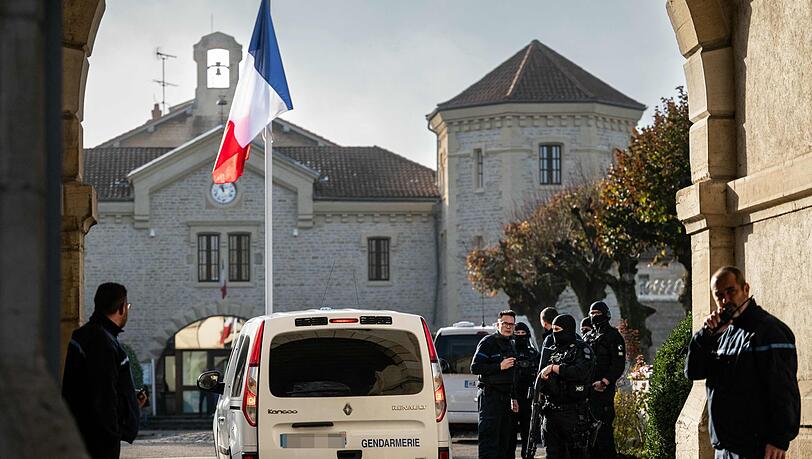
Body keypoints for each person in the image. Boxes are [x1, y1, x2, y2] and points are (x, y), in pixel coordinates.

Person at [685, 266, 800, 458]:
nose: (726, 300)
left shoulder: (770, 331)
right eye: (719, 295)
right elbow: (693, 371)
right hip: (724, 449)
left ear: (745, 289)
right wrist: (705, 336)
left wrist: (779, 439)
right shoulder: (721, 334)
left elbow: (783, 390)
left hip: (756, 448)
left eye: (731, 291)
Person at [62, 283, 145, 459]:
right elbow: (103, 393)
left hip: (86, 435)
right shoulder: (103, 342)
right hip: (99, 442)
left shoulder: (88, 336)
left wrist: (130, 401)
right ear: (121, 308)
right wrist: (112, 434)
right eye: (127, 306)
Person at [537, 314, 595, 458]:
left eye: (558, 329)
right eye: (553, 329)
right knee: (553, 453)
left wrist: (554, 368)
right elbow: (540, 376)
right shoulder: (551, 350)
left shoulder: (582, 349)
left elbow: (579, 372)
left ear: (568, 330)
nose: (555, 333)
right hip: (550, 411)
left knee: (575, 453)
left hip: (572, 412)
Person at [471, 310, 520, 459]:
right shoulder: (488, 342)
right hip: (490, 397)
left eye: (511, 324)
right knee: (489, 443)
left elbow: (512, 376)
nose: (508, 327)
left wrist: (514, 397)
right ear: (498, 324)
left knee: (504, 444)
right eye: (505, 323)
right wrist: (499, 366)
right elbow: (475, 367)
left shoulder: (511, 344)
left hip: (506, 400)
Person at [583, 300, 625, 458]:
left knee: (603, 432)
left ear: (605, 314)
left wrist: (605, 381)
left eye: (597, 313)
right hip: (586, 392)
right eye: (592, 313)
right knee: (588, 434)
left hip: (603, 391)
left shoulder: (613, 336)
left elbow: (618, 363)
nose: (594, 316)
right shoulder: (588, 336)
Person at [511, 322, 540, 458]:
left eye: (523, 333)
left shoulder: (533, 354)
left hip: (528, 398)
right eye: (517, 333)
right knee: (509, 432)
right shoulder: (509, 351)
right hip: (511, 396)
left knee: (527, 432)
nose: (520, 336)